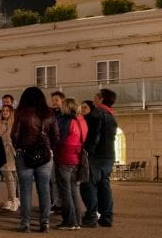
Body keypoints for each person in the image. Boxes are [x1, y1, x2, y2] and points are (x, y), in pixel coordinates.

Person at [12, 86, 60, 233]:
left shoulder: (21, 113)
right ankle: (44, 223)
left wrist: (19, 147)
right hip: (45, 155)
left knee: (25, 190)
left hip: (25, 153)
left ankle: (25, 223)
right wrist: (48, 148)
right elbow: (56, 136)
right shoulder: (49, 113)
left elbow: (14, 134)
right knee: (44, 189)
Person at [81, 88, 118, 229]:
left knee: (88, 185)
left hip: (96, 156)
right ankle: (106, 216)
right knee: (104, 185)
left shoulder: (96, 114)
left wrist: (88, 151)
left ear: (101, 99)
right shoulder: (111, 115)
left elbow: (94, 136)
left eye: (96, 96)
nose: (94, 99)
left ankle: (91, 216)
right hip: (109, 155)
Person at [54, 98, 88, 230]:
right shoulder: (80, 121)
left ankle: (69, 221)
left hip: (64, 157)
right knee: (74, 190)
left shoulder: (65, 121)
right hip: (76, 158)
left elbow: (58, 138)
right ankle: (77, 220)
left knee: (65, 191)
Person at [0, 104, 19, 211]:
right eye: (3, 110)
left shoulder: (14, 124)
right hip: (2, 152)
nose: (5, 112)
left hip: (12, 152)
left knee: (12, 177)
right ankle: (12, 199)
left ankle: (14, 200)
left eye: (7, 111)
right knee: (9, 178)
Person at [49, 91, 68, 213]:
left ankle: (64, 203)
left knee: (62, 179)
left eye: (56, 100)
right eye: (53, 100)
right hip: (52, 150)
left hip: (62, 150)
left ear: (62, 101)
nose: (54, 102)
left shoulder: (64, 116)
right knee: (53, 179)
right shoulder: (51, 115)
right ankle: (56, 202)